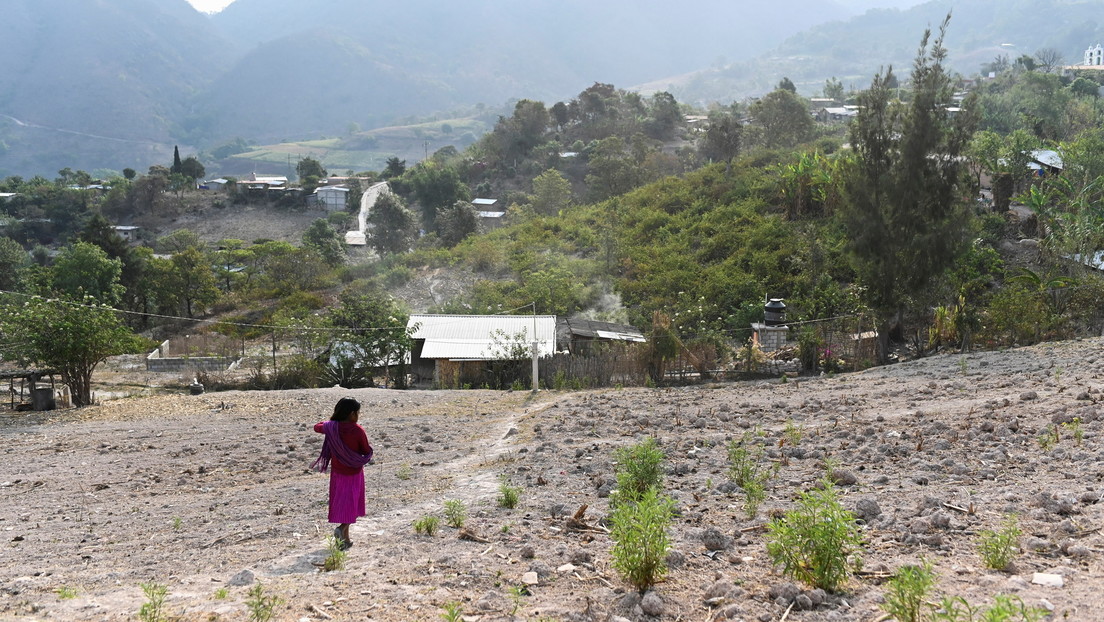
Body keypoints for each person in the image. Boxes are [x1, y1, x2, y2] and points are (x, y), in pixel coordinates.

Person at [312, 397, 373, 550]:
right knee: (352, 505)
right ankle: (341, 528)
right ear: (352, 413)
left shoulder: (332, 428)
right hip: (354, 473)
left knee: (343, 504)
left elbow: (317, 426)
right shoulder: (357, 430)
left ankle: (345, 540)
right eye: (357, 412)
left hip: (338, 473)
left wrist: (331, 423)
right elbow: (365, 450)